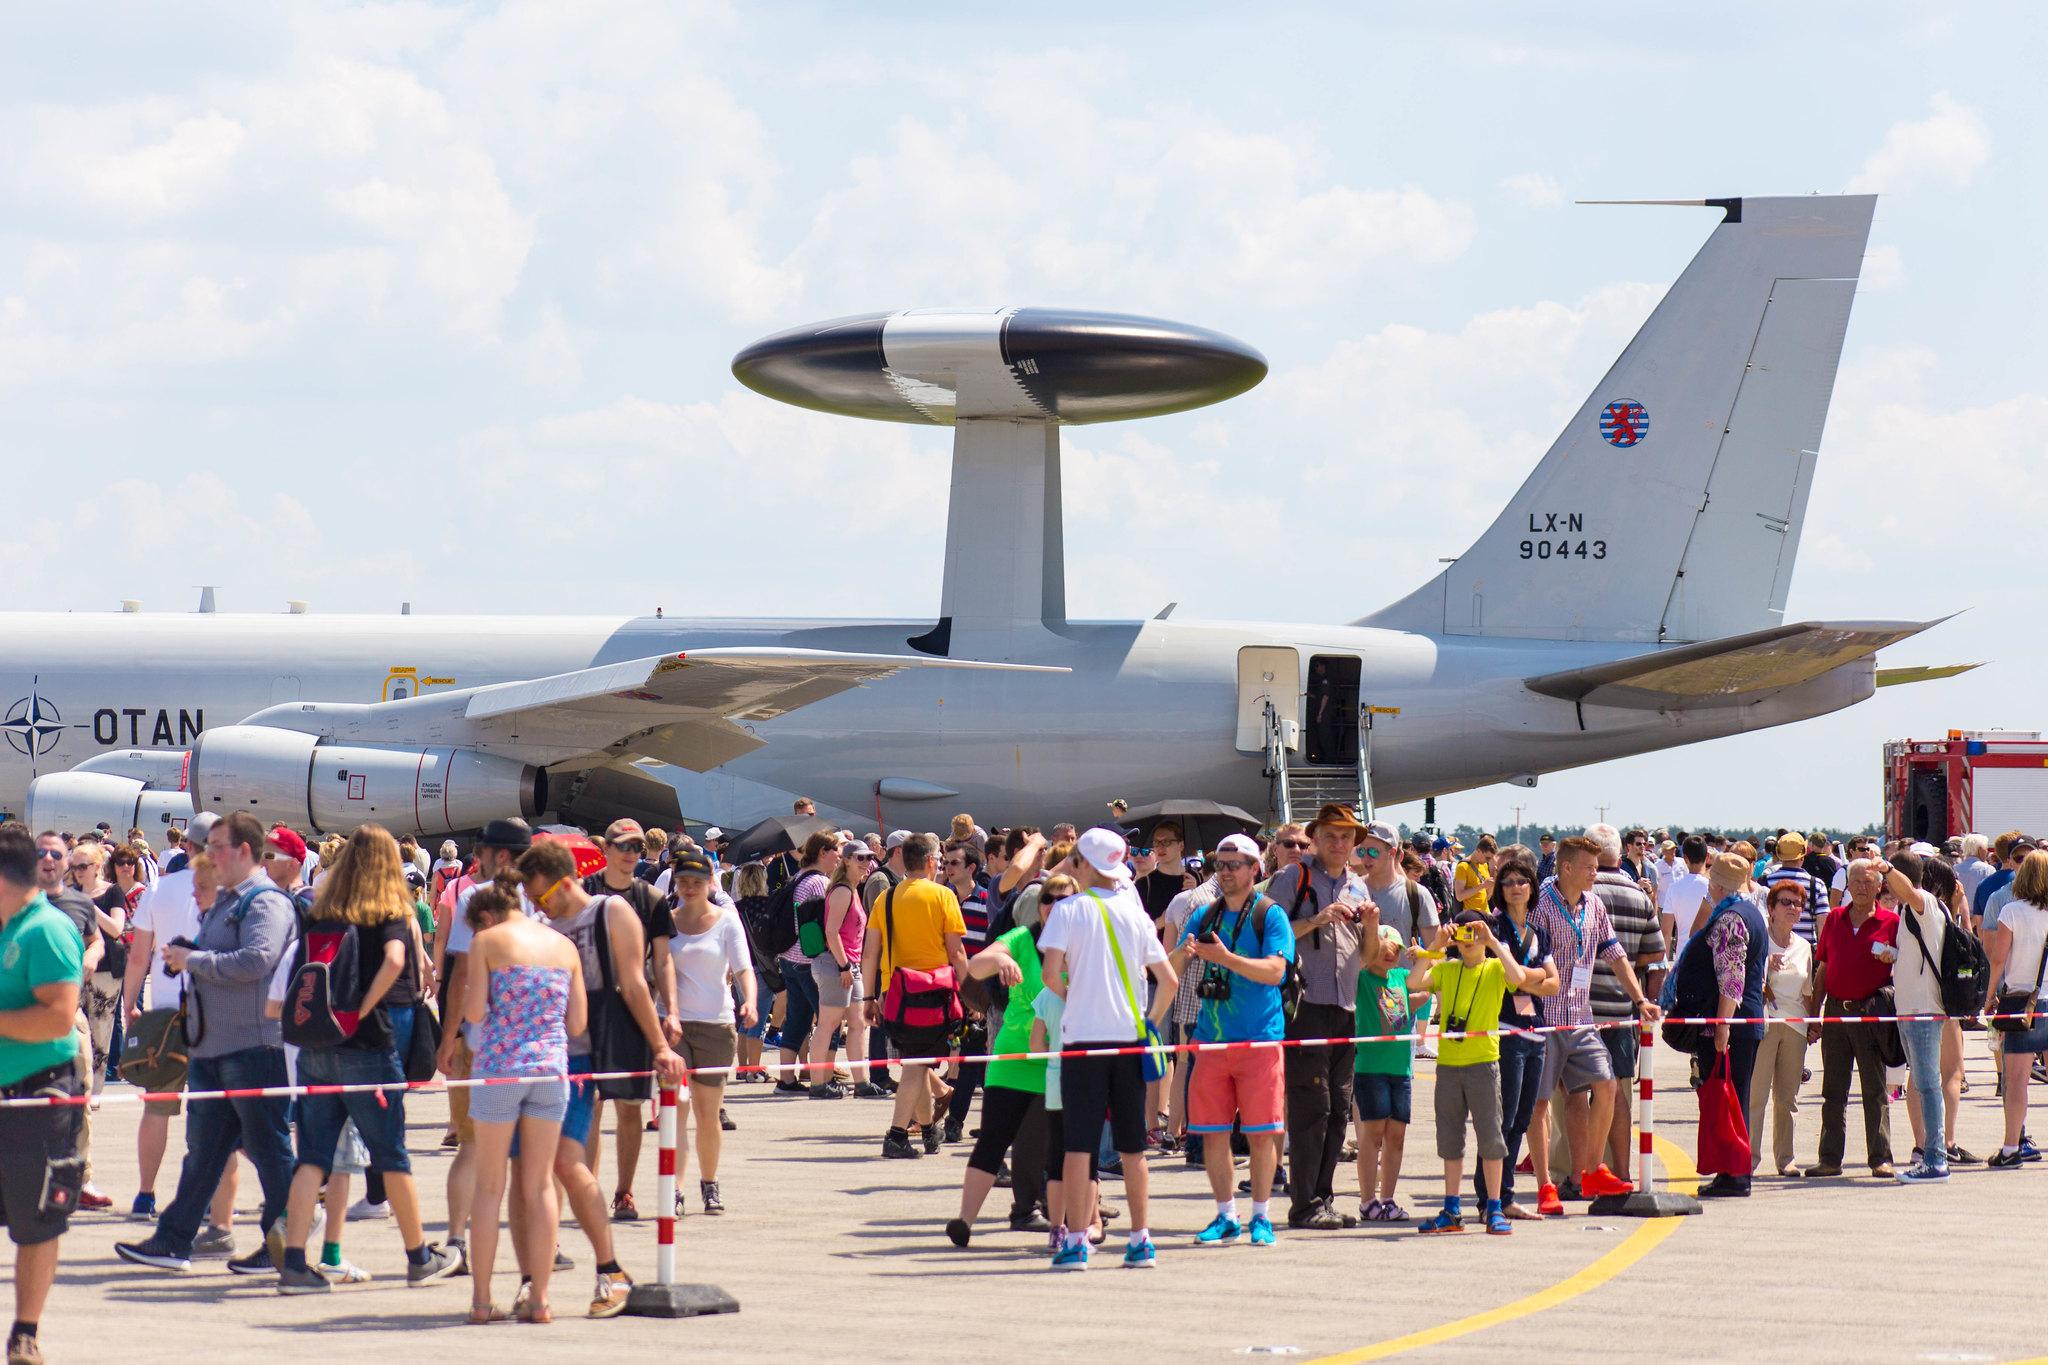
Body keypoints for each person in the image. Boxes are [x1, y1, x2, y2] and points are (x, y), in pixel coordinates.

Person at [273, 825, 457, 1293]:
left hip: (318, 1046)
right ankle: (418, 1256)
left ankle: (294, 1263)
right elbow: (395, 960)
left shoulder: (321, 910)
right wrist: (360, 1011)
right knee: (391, 1155)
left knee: (312, 1157)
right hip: (368, 1049)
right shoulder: (387, 912)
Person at [116, 813, 297, 1277]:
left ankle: (288, 1241)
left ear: (243, 851)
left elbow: (257, 960)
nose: (207, 855)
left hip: (253, 1049)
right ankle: (174, 1240)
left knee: (269, 1149)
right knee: (205, 1153)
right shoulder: (227, 901)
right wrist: (186, 956)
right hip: (214, 1049)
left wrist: (193, 959)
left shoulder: (265, 902)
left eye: (216, 847)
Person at [514, 838, 686, 1318]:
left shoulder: (611, 911)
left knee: (567, 1163)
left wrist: (660, 1046)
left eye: (542, 895)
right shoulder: (544, 927)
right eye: (533, 898)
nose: (539, 905)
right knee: (538, 1169)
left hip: (591, 1054)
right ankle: (537, 1281)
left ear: (565, 881)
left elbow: (634, 983)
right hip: (549, 1058)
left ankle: (610, 1269)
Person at [1038, 828, 1177, 1270]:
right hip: (1130, 1040)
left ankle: (1078, 1241)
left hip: (1083, 1040)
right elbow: (1168, 980)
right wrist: (1149, 1022)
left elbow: (1049, 975)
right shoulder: (1136, 914)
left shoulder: (1067, 910)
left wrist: (1076, 994)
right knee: (1133, 1148)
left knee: (1078, 1146)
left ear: (1083, 863)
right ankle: (1141, 1239)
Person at [459, 876, 586, 1324]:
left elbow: (474, 1012)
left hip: (500, 1069)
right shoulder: (564, 946)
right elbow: (577, 1023)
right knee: (540, 1185)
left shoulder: (487, 942)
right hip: (550, 1069)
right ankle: (541, 1298)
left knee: (490, 1186)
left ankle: (481, 1300)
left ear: (486, 916)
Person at [1163, 833, 1293, 1249]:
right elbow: (1170, 971)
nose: (1225, 872)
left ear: (1255, 868)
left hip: (1259, 1041)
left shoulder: (1270, 914)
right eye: (1220, 864)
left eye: (1234, 865)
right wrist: (1182, 954)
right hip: (1211, 1040)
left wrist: (1225, 959)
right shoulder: (1205, 915)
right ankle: (1226, 1215)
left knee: (1262, 1134)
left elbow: (1275, 972)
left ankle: (1261, 1216)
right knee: (1213, 1134)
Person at [1527, 835, 1660, 1214]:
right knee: (1540, 1104)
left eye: (1596, 867)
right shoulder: (1541, 905)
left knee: (1606, 1086)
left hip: (1581, 1018)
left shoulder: (1595, 904)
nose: (1594, 874)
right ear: (1566, 867)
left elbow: (1615, 955)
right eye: (1589, 867)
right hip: (1545, 1020)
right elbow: (1526, 957)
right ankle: (1545, 1186)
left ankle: (1593, 1170)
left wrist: (1640, 1000)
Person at [0, 822, 85, 1365]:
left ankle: (24, 1334)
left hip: (37, 1096)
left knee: (36, 1222)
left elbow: (58, 1018)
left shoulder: (46, 930)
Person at [1268, 804, 1374, 1230]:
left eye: (1346, 836)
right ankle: (1304, 1204)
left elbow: (1367, 958)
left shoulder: (1358, 887)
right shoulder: (1293, 877)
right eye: (1330, 835)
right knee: (1312, 1107)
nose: (1339, 843)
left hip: (1345, 1006)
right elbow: (1270, 934)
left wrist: (1372, 926)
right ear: (1315, 838)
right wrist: (1316, 919)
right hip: (1305, 1006)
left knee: (1337, 1111)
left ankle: (1322, 1198)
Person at [432, 818, 529, 1272]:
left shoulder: (477, 898)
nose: (478, 858)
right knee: (530, 1159)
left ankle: (456, 1241)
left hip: (483, 1042)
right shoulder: (542, 899)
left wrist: (448, 1036)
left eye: (483, 850)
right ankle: (541, 1245)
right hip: (535, 1047)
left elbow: (461, 976)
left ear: (500, 855)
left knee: (472, 1148)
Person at [1411, 910, 1537, 1234]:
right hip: (1449, 1066)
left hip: (1483, 1063)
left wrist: (1492, 941)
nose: (1468, 938)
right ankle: (1452, 1209)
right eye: (1463, 931)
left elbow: (1519, 977)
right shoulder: (1447, 968)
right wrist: (1436, 946)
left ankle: (1494, 1207)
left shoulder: (1494, 968)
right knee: (1450, 1140)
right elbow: (1413, 982)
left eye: (1474, 931)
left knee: (1491, 1139)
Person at [580, 819, 676, 1223]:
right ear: (606, 849)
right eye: (622, 846)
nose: (630, 854)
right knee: (589, 1105)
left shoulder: (650, 898)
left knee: (630, 1107)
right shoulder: (585, 891)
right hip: (587, 1008)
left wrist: (671, 1010)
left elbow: (663, 960)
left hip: (634, 1009)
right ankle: (587, 1192)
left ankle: (624, 1192)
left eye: (636, 847)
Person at [947, 888, 1055, 1247]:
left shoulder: (1081, 942)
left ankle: (1045, 1213)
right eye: (1048, 899)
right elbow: (977, 965)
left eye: (1064, 899)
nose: (1054, 905)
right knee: (993, 1138)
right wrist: (1001, 960)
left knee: (1043, 1144)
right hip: (1013, 1055)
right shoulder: (1023, 937)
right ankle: (964, 1220)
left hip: (1057, 1059)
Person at [862, 834, 967, 1159]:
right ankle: (896, 1135)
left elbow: (870, 952)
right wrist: (972, 993)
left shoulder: (887, 898)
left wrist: (868, 998)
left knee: (916, 1061)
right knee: (916, 1064)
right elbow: (956, 952)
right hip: (932, 993)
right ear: (930, 861)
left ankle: (928, 1129)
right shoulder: (943, 896)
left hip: (894, 993)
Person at [663, 852, 757, 1215]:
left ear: (710, 884)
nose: (689, 889)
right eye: (683, 882)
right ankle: (673, 1187)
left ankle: (710, 1182)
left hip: (715, 1024)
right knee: (676, 1108)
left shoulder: (727, 921)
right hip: (672, 1025)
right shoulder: (666, 920)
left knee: (707, 1112)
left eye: (697, 883)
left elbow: (743, 968)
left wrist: (750, 1001)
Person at [1680, 854, 1770, 1198]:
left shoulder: (1730, 918)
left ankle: (1735, 1174)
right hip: (1747, 1019)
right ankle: (1732, 1171)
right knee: (1734, 1096)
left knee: (1729, 1098)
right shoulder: (1751, 912)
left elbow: (1731, 977)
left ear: (1716, 884)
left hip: (1732, 1023)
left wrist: (1722, 1025)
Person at [1804, 857, 1899, 1178]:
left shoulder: (1891, 923)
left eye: (1867, 882)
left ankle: (1881, 1158)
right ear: (1846, 886)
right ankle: (1829, 1159)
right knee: (1833, 1090)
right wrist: (1813, 1015)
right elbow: (1823, 969)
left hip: (1870, 1014)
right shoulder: (1834, 919)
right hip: (1835, 1012)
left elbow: (1901, 968)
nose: (1861, 887)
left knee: (1875, 1090)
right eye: (1855, 881)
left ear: (1879, 886)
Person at [1586, 823, 1665, 1184]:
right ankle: (1621, 1170)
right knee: (1618, 1091)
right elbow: (1656, 955)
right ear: (1620, 854)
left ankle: (1577, 1170)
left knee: (1573, 1096)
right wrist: (1635, 979)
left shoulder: (1579, 891)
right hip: (1622, 1008)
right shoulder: (1638, 893)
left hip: (1580, 1009)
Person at [1487, 855, 1557, 1219]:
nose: (1516, 887)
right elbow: (1507, 978)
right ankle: (1492, 1197)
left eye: (1522, 881)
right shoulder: (1494, 929)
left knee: (1525, 1116)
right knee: (1505, 1117)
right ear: (1500, 889)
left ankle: (1505, 1195)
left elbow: (1554, 984)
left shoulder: (1539, 932)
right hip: (1505, 1028)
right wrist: (1535, 976)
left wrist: (1524, 978)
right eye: (1508, 882)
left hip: (1535, 1031)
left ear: (1532, 887)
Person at [1880, 851, 1952, 1183]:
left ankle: (1936, 1159)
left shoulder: (1923, 902)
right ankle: (1931, 1155)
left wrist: (1886, 867)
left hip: (1923, 1010)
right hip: (1910, 1008)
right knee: (1922, 1084)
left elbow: (1909, 890)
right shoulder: (1909, 910)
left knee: (1927, 1084)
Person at [1353, 925, 1425, 1223]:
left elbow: (1424, 985)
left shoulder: (1401, 978)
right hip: (1370, 1068)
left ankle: (1388, 1199)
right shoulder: (1360, 978)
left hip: (1400, 1069)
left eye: (1396, 948)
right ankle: (1367, 1200)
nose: (1390, 952)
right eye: (1384, 947)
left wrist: (1429, 952)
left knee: (1396, 1137)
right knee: (1372, 1135)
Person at [1985, 850, 2048, 1169]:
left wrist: (1989, 996)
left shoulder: (2011, 911)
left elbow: (1998, 959)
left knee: (2016, 1081)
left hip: (2022, 1002)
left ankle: (2012, 1147)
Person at [1748, 878, 1814, 1179]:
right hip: (1763, 1024)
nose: (1792, 908)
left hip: (1795, 1027)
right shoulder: (1758, 939)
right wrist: (1764, 962)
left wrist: (1813, 1023)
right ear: (1771, 909)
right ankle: (1748, 1159)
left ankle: (1786, 1159)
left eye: (1797, 904)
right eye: (1785, 902)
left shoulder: (1804, 946)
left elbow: (1808, 991)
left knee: (1787, 1099)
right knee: (1756, 1096)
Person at [776, 832, 840, 1096]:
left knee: (796, 1020)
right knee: (829, 1021)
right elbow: (828, 925)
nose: (839, 857)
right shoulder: (820, 883)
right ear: (823, 852)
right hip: (811, 961)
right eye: (835, 851)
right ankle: (823, 1079)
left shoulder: (797, 878)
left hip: (790, 958)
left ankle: (786, 1080)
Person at [940, 841, 993, 1140]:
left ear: (971, 868)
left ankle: (955, 1120)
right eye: (945, 863)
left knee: (972, 1055)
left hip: (976, 989)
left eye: (954, 863)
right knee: (945, 1056)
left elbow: (992, 947)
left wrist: (980, 995)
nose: (947, 868)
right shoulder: (942, 898)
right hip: (944, 988)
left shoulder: (986, 901)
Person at [1760, 833, 1828, 945]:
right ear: (1803, 855)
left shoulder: (1766, 882)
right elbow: (1822, 923)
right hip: (1806, 948)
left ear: (1779, 855)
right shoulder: (1817, 884)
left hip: (1773, 947)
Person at [1664, 836, 1712, 950]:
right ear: (1707, 856)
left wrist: (1664, 960)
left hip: (1682, 952)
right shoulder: (1713, 887)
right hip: (1707, 953)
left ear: (1685, 858)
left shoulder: (1673, 888)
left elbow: (1666, 932)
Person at [1451, 836, 1497, 914]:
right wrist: (1482, 886)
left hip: (1485, 913)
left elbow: (1487, 897)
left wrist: (1493, 883)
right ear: (1479, 851)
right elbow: (1459, 896)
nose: (1488, 860)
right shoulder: (1463, 866)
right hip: (1470, 915)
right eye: (1487, 858)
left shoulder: (1484, 865)